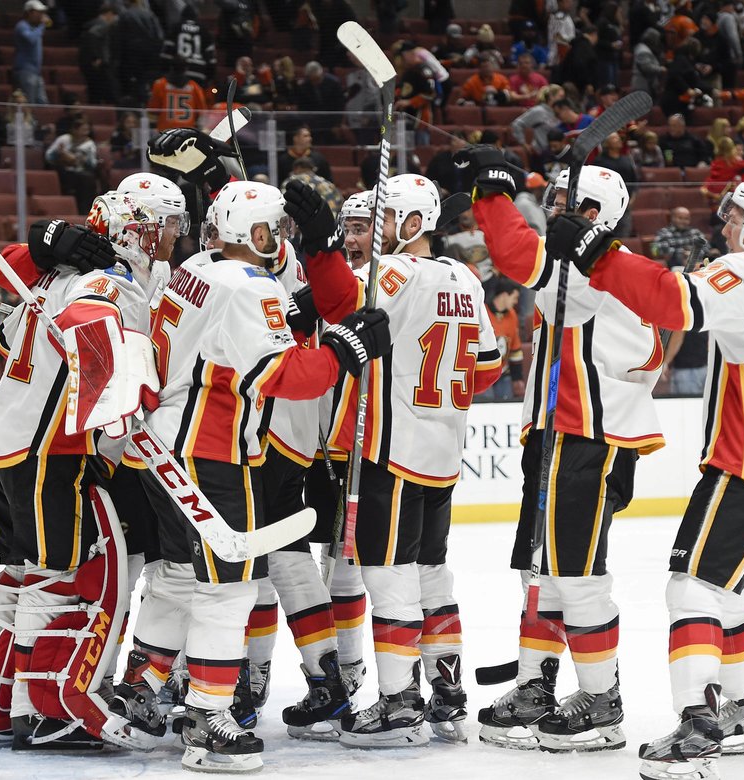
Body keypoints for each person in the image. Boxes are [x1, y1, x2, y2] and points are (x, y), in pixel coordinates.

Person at [108, 126, 390, 770]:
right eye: (273, 233)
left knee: (178, 578)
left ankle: (143, 694)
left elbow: (222, 341)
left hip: (158, 446)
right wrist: (347, 349)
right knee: (229, 589)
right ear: (257, 234)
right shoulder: (250, 286)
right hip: (211, 454)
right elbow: (282, 377)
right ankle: (209, 720)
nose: (279, 242)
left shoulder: (193, 270)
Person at [546, 174, 744, 780]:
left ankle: (698, 725)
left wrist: (595, 248)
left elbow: (669, 303)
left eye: (736, 216)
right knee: (731, 589)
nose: (724, 224)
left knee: (692, 588)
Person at [457, 147, 665, 754]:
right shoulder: (589, 268)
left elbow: (516, 255)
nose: (553, 217)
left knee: (576, 574)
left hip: (589, 441)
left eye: (565, 208)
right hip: (557, 436)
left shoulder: (599, 269)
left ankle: (602, 704)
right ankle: (536, 686)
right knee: (541, 571)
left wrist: (493, 192)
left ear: (595, 213)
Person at [293, 173, 501, 748]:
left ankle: (398, 706)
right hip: (441, 453)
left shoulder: (391, 273)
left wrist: (318, 245)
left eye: (382, 220)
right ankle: (446, 693)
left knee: (388, 579)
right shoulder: (464, 276)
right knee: (433, 574)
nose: (374, 232)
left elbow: (337, 303)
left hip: (390, 452)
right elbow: (488, 366)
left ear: (412, 224)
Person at [0, 204, 158, 749]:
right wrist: (130, 392)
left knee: (18, 573)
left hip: (1, 445)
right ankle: (43, 713)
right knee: (57, 578)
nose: (166, 237)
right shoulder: (105, 282)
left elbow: (7, 343)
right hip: (46, 451)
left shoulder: (55, 278)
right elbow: (90, 331)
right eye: (159, 226)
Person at [478, 276, 524, 402]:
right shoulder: (482, 312)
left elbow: (515, 348)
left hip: (503, 373)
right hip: (484, 370)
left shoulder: (512, 315)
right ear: (504, 295)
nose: (516, 302)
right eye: (514, 297)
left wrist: (517, 378)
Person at [147, 46, 208, 132]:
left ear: (171, 67)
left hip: (165, 133)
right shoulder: (195, 87)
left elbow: (152, 112)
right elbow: (202, 114)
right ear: (186, 68)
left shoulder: (160, 84)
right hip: (187, 134)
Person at [45, 118, 100, 214]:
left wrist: (83, 160)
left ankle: (85, 211)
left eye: (87, 130)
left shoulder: (89, 144)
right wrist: (59, 154)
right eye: (83, 130)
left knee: (87, 179)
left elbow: (93, 164)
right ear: (74, 130)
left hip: (81, 172)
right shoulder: (64, 139)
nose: (85, 133)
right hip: (63, 170)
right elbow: (48, 156)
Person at [78, 3, 119, 105]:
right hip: (96, 65)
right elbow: (92, 37)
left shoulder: (91, 24)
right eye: (115, 16)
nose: (115, 19)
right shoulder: (102, 25)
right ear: (109, 14)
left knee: (94, 94)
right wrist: (96, 57)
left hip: (86, 63)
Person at [511, 84, 565, 158]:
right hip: (542, 154)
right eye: (561, 96)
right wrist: (523, 143)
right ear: (551, 96)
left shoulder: (560, 111)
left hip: (559, 153)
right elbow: (517, 124)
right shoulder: (538, 111)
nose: (563, 100)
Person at [14, 0, 48, 104]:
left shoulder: (35, 27)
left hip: (36, 72)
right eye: (39, 12)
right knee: (29, 103)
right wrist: (42, 26)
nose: (42, 15)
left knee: (42, 102)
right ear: (29, 12)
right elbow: (31, 39)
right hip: (26, 71)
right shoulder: (22, 26)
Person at [701, 137, 744, 209]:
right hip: (724, 195)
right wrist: (739, 159)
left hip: (715, 194)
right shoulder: (735, 163)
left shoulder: (715, 162)